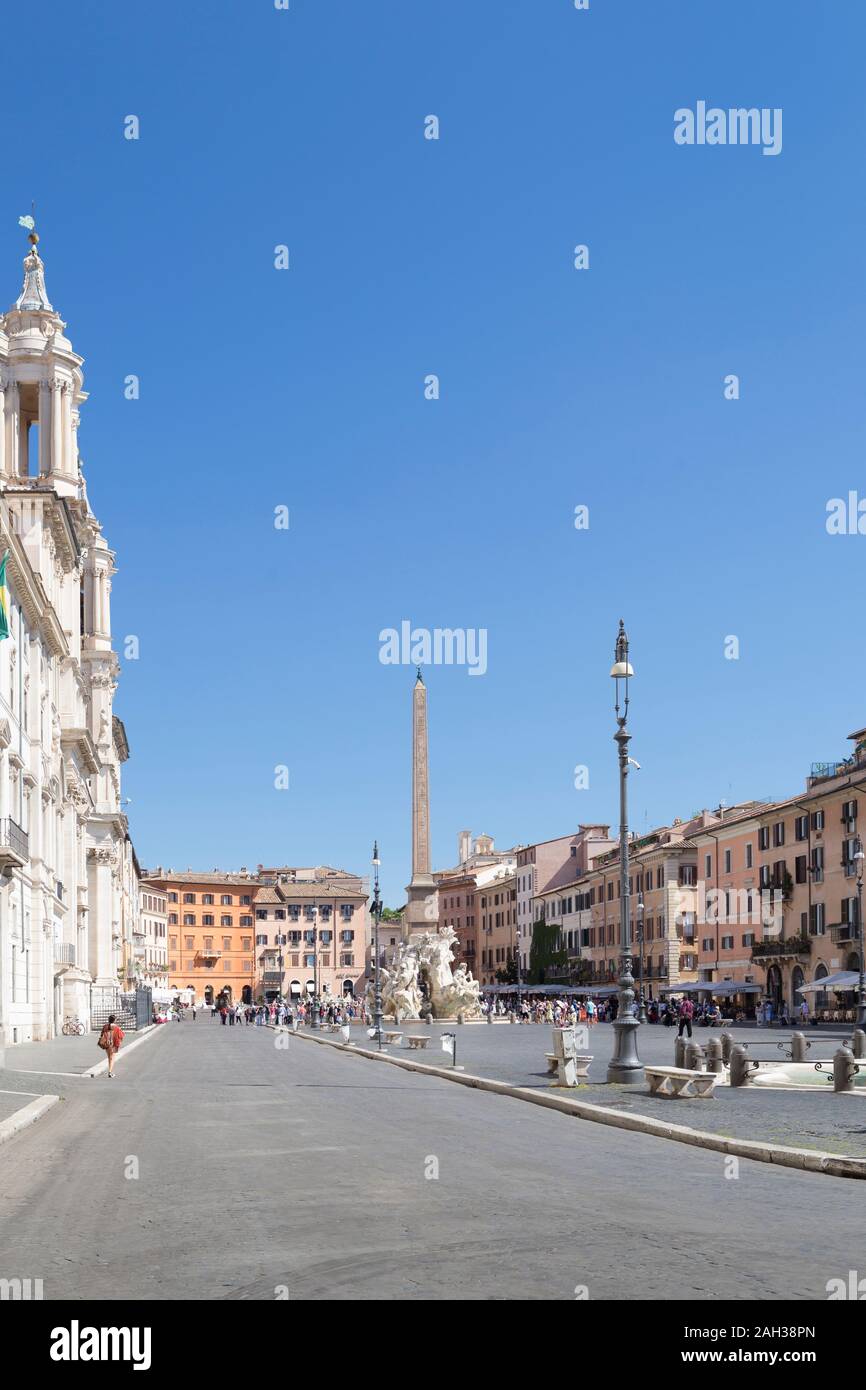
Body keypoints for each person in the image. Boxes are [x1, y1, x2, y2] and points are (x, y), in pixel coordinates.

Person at [98, 1014, 124, 1078]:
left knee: (109, 1058)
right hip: (114, 1044)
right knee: (112, 1058)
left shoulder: (105, 1026)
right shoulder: (117, 1027)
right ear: (114, 1020)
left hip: (107, 1044)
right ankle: (110, 1072)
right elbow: (121, 1036)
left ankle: (110, 1071)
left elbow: (101, 1034)